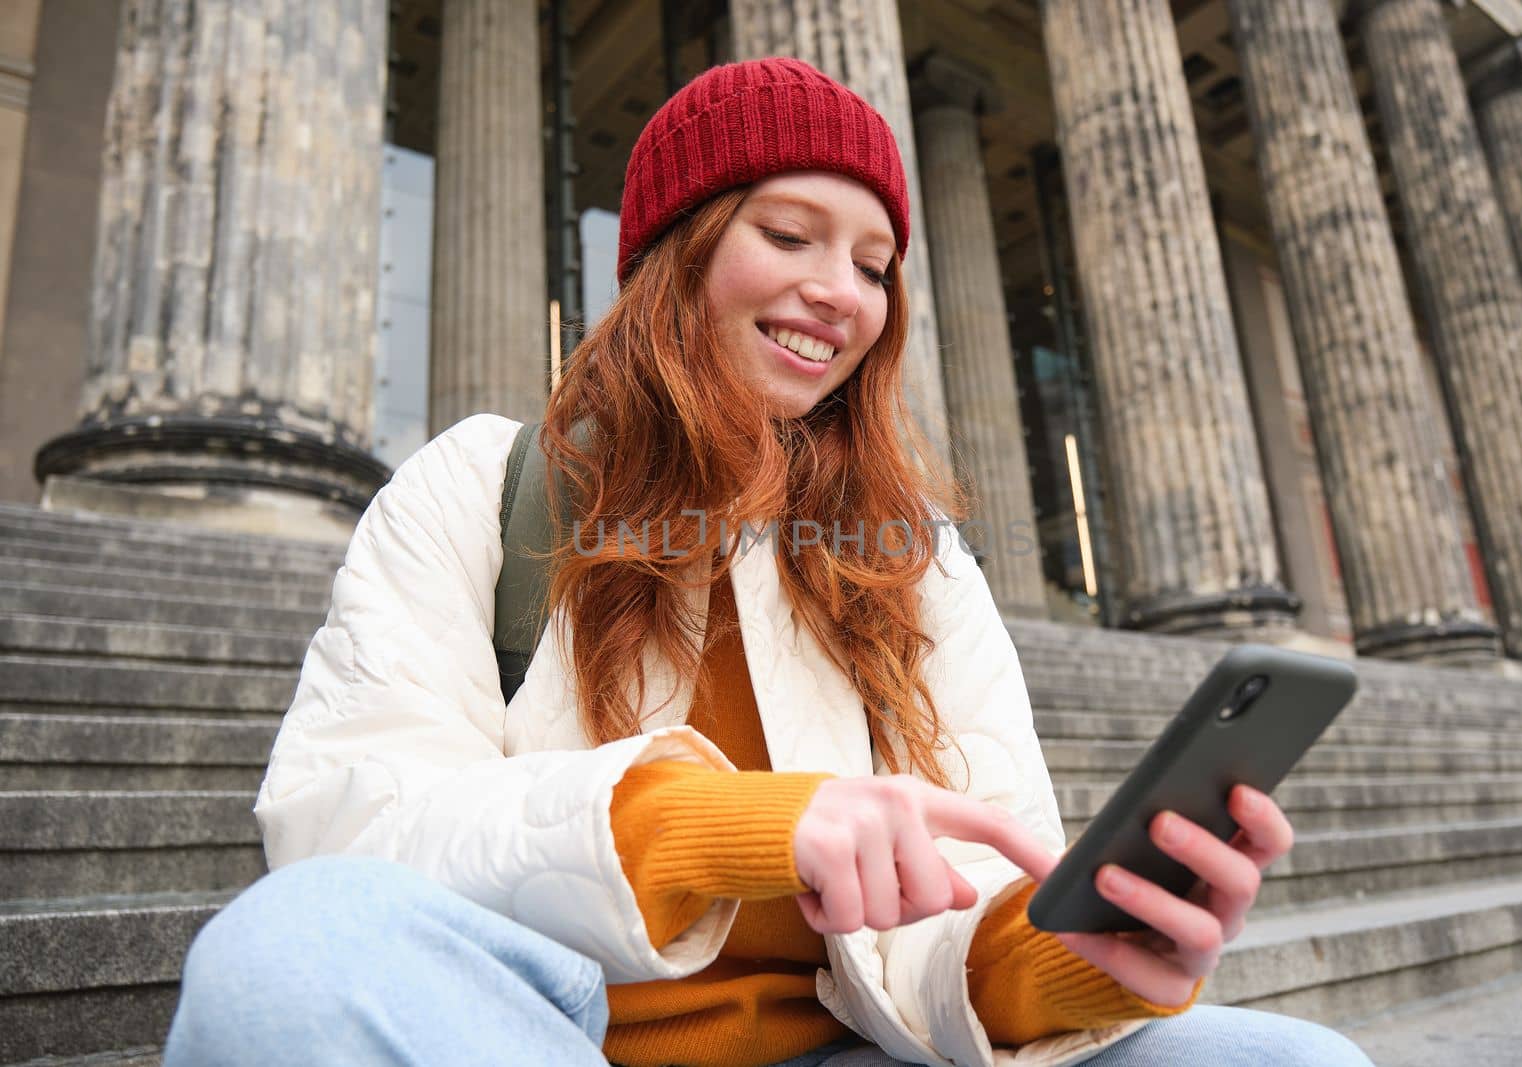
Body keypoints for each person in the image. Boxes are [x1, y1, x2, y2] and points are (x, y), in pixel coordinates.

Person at [163, 57, 1374, 1067]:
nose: (836, 292)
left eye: (872, 263)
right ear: (673, 253)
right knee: (292, 952)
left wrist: (1070, 957)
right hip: (544, 1038)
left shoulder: (919, 561)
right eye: (789, 233)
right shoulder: (482, 484)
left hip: (857, 1046)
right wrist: (719, 824)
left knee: (1296, 1059)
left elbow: (963, 909)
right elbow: (347, 825)